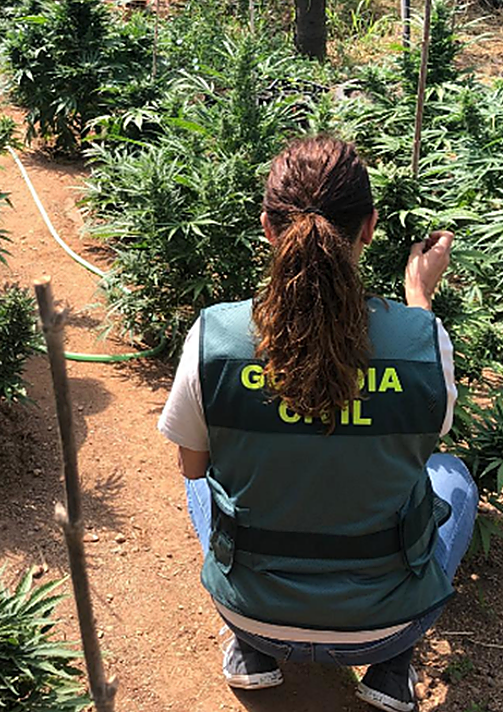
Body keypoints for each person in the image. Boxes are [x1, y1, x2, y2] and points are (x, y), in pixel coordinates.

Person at [158, 136, 478, 712]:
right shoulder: (422, 341)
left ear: (267, 227)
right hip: (384, 626)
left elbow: (193, 466)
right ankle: (392, 668)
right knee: (451, 475)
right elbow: (426, 438)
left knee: (203, 472)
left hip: (252, 613)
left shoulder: (215, 336)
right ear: (370, 227)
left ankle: (251, 651)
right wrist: (418, 296)